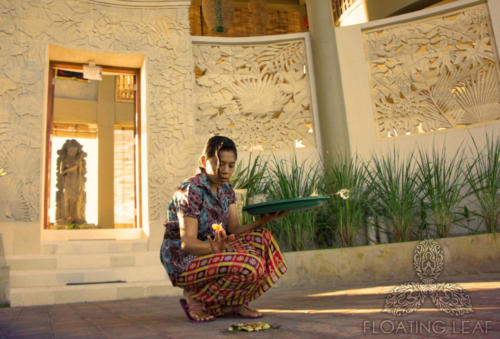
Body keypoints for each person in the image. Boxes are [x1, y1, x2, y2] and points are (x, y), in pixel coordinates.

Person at [160, 136, 288, 322]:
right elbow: (187, 243)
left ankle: (232, 303)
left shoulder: (227, 189)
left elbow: (233, 228)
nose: (226, 171)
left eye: (231, 165)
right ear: (204, 161)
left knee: (264, 239)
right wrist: (215, 248)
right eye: (220, 164)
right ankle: (194, 297)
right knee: (252, 265)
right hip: (184, 260)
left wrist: (263, 220)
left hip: (212, 249)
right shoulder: (191, 190)